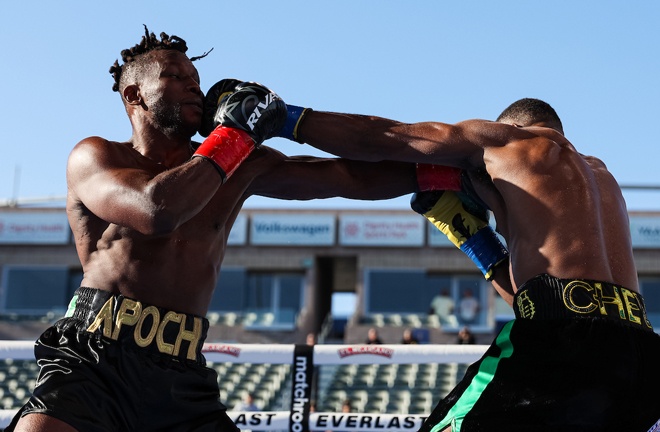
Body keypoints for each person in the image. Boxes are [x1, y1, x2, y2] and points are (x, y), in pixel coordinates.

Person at [4, 28, 456, 432]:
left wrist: (448, 173)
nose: (193, 87)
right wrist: (235, 136)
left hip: (180, 372)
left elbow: (340, 177)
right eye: (175, 77)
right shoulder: (96, 156)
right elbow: (156, 209)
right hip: (93, 361)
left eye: (196, 80)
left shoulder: (238, 164)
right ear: (134, 96)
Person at [272, 97, 660, 430]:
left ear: (507, 126)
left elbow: (383, 138)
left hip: (564, 347)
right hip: (643, 360)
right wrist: (472, 238)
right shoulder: (601, 178)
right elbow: (541, 299)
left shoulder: (508, 142)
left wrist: (282, 116)